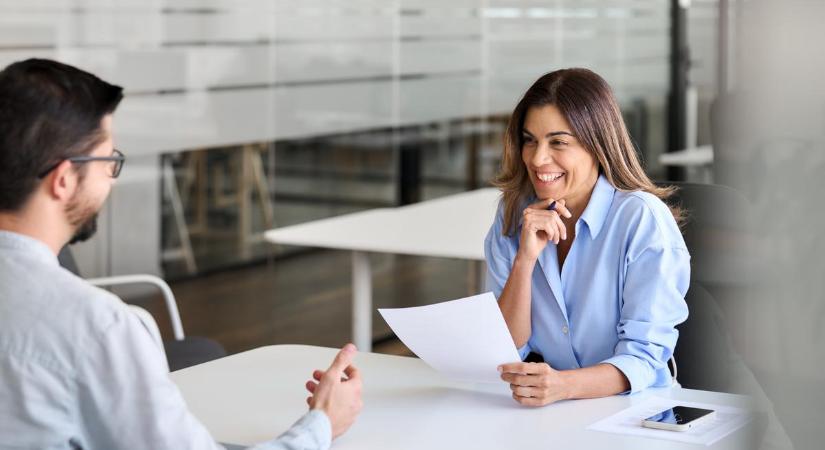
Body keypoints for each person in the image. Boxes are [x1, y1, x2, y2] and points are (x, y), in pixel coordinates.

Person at [0, 58, 362, 449]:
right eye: (109, 162)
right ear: (65, 180)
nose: (111, 179)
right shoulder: (95, 328)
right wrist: (323, 421)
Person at [485, 68, 690, 406]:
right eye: (530, 140)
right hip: (554, 412)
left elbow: (643, 359)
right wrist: (525, 260)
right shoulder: (514, 215)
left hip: (636, 411)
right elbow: (506, 347)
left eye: (559, 142)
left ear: (597, 145)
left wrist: (563, 386)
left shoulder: (640, 219)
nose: (537, 159)